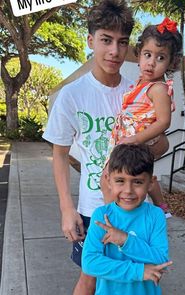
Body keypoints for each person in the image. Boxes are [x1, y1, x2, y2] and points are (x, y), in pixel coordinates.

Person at [42, 1, 135, 294]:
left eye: (122, 42)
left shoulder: (136, 93)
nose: (114, 51)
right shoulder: (72, 95)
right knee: (90, 277)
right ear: (91, 40)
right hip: (91, 209)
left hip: (133, 207)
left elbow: (157, 146)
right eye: (106, 40)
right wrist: (66, 209)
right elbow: (59, 154)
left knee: (128, 277)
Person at [100, 17, 183, 216]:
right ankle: (122, 217)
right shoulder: (139, 85)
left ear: (171, 62)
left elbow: (164, 121)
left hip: (137, 140)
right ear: (139, 56)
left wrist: (136, 140)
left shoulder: (158, 88)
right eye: (147, 54)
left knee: (111, 180)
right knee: (110, 180)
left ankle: (116, 220)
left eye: (161, 58)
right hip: (127, 140)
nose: (151, 63)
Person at [82, 143, 173, 295]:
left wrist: (125, 240)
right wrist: (139, 271)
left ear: (150, 183)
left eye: (137, 182)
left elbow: (161, 260)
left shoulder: (156, 215)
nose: (128, 190)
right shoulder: (102, 216)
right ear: (108, 180)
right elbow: (90, 263)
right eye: (120, 181)